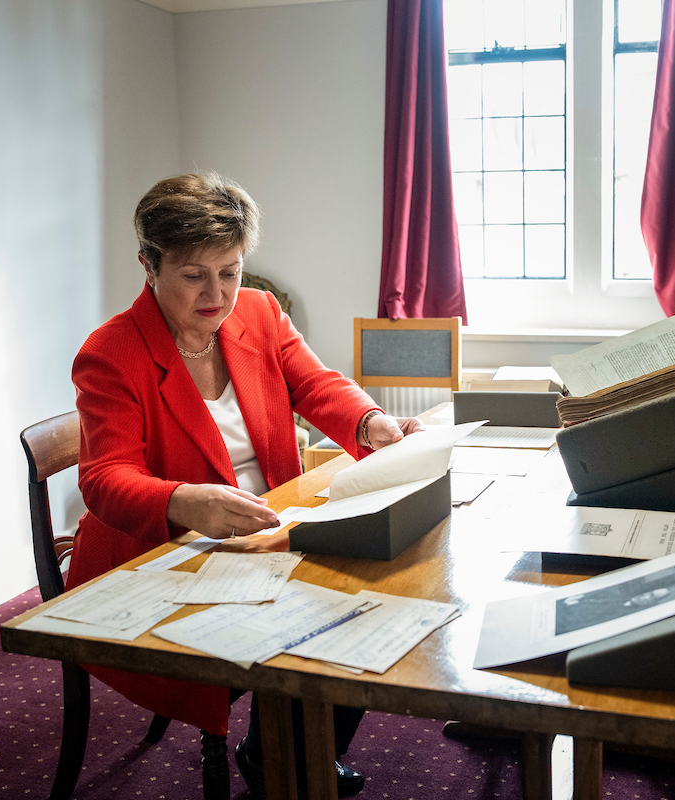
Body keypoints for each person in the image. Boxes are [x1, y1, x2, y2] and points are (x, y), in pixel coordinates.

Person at [66, 171, 422, 798]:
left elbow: (315, 384)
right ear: (149, 265)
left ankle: (290, 749)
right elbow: (104, 479)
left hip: (267, 526)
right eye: (194, 274)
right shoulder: (112, 351)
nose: (217, 293)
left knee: (377, 589)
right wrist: (184, 499)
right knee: (327, 609)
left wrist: (371, 423)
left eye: (229, 270)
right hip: (166, 553)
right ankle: (286, 754)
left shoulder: (258, 311)